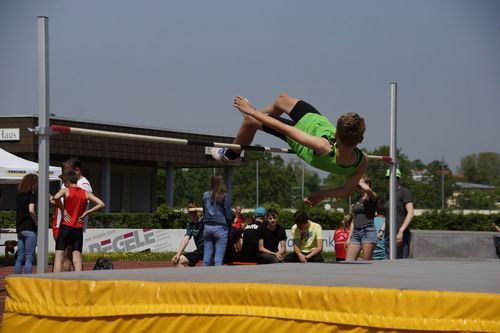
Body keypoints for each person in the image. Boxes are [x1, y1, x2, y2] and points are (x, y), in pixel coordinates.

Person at [211, 94, 368, 206]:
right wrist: (321, 194)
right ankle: (255, 118)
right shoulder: (363, 161)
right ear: (360, 139)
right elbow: (346, 191)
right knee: (282, 100)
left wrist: (250, 111)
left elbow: (285, 129)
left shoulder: (323, 147)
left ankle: (231, 155)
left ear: (337, 134)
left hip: (301, 133)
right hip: (316, 121)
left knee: (250, 121)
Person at [53, 170, 105, 272]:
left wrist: (63, 210)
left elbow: (56, 197)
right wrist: (87, 212)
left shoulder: (65, 190)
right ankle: (79, 281)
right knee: (77, 258)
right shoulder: (85, 193)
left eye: (64, 182)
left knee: (58, 258)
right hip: (78, 228)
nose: (64, 184)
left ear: (68, 181)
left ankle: (55, 281)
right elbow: (101, 204)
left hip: (65, 227)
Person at [51, 157, 93, 271]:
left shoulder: (84, 185)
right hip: (65, 222)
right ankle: (69, 280)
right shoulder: (69, 181)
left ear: (77, 170)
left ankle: (68, 281)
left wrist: (63, 209)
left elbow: (79, 204)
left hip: (71, 223)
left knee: (68, 256)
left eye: (67, 170)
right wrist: (60, 207)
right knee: (68, 256)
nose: (65, 173)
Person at [383, 168, 414, 259]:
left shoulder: (404, 192)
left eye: (391, 177)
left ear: (398, 179)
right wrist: (381, 231)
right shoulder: (388, 195)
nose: (389, 180)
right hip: (388, 234)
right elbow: (388, 217)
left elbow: (411, 213)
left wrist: (401, 231)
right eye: (387, 178)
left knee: (400, 263)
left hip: (399, 234)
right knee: (389, 264)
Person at [202, 175, 232, 266]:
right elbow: (227, 213)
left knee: (206, 257)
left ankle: (203, 276)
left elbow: (204, 210)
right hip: (220, 226)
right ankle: (217, 277)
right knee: (218, 258)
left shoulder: (205, 194)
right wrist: (229, 226)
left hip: (207, 226)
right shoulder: (224, 195)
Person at [345, 176, 378, 261]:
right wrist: (349, 237)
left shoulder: (372, 196)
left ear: (367, 184)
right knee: (348, 261)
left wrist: (358, 180)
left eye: (360, 184)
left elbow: (368, 190)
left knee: (366, 262)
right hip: (356, 232)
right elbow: (353, 219)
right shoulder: (357, 199)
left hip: (368, 231)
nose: (358, 186)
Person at [15, 174, 38, 274]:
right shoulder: (32, 195)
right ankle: (28, 280)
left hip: (20, 229)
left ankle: (17, 279)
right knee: (29, 257)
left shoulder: (19, 196)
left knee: (20, 257)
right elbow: (31, 210)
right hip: (30, 228)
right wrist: (37, 223)